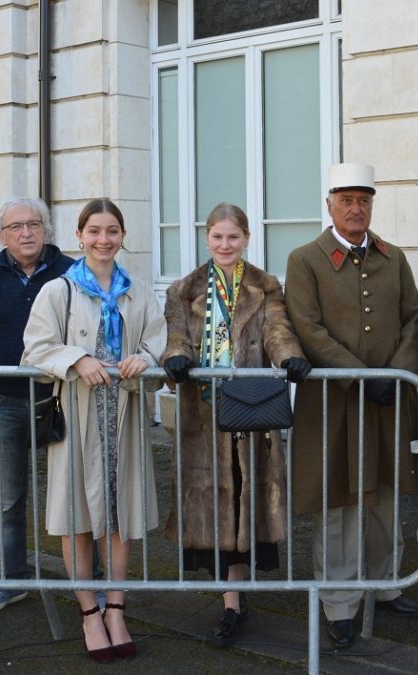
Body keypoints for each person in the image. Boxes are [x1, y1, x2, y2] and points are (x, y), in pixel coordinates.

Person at [285, 162, 418, 649]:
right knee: (339, 499)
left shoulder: (395, 256)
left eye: (363, 200)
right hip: (333, 401)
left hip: (390, 399)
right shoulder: (305, 259)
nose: (355, 208)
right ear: (329, 205)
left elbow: (415, 318)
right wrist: (363, 378)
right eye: (346, 200)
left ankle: (386, 584)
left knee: (386, 493)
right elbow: (307, 328)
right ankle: (340, 601)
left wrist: (397, 372)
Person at [160, 202, 311, 646]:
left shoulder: (265, 286)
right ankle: (229, 601)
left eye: (234, 237)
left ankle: (239, 595)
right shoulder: (183, 290)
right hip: (202, 418)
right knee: (214, 502)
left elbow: (277, 331)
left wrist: (290, 358)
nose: (225, 244)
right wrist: (176, 358)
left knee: (245, 498)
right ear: (207, 238)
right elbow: (175, 336)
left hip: (250, 412)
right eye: (217, 236)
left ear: (246, 239)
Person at [22, 198, 165, 661]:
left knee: (120, 518)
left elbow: (158, 343)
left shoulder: (139, 290)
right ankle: (89, 613)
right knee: (76, 517)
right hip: (78, 415)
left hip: (123, 416)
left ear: (123, 236)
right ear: (80, 236)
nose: (104, 239)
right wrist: (76, 359)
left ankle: (117, 610)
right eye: (95, 231)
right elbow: (36, 348)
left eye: (112, 231)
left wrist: (144, 357)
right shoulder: (58, 290)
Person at [0, 197, 74, 614]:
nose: (25, 233)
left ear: (47, 230)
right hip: (7, 401)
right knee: (9, 499)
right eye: (15, 227)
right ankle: (13, 579)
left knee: (77, 492)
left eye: (33, 224)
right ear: (1, 235)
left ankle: (91, 581)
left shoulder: (70, 273)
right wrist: (0, 368)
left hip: (64, 398)